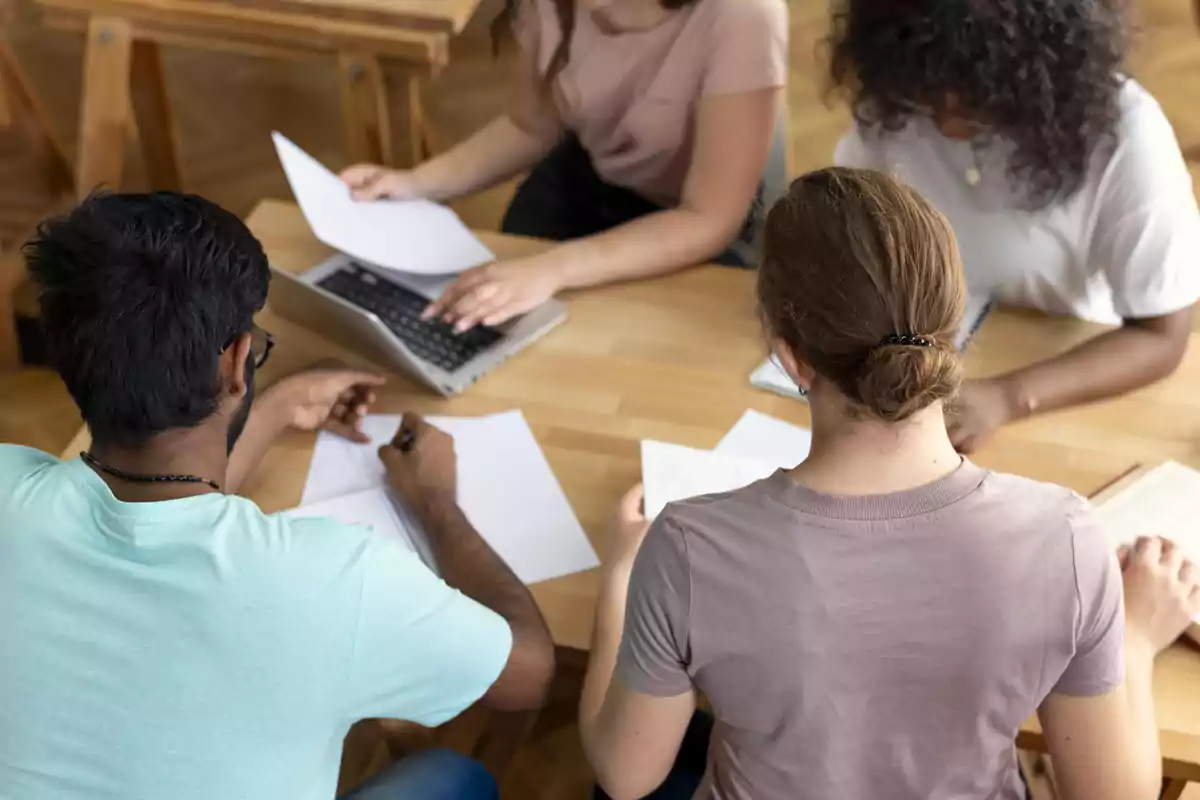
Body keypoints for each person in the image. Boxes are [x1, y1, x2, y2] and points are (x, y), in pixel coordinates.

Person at [578, 169, 1200, 800]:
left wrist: (620, 582)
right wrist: (1138, 644)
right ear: (953, 327)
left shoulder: (685, 549)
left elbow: (626, 776)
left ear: (789, 356)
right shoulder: (1065, 538)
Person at [0, 192, 556, 800]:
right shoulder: (332, 578)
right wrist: (437, 504)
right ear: (237, 360)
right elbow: (526, 673)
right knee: (456, 776)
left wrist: (276, 409)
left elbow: (154, 508)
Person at [827, 0, 1200, 453]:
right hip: (922, 379)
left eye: (974, 98)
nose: (946, 121)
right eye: (930, 94)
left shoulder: (1124, 133)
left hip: (1061, 392)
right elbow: (851, 233)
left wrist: (1005, 396)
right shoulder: (899, 100)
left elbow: (1161, 336)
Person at [341, 0, 788, 332]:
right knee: (501, 320)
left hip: (704, 224)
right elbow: (530, 125)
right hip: (591, 177)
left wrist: (554, 268)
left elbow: (709, 218)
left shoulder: (743, 15)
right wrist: (415, 183)